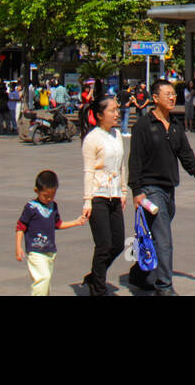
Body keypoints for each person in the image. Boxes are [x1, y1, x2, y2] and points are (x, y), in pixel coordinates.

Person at [128, 79, 195, 296]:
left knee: (156, 235)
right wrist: (137, 190)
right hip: (150, 189)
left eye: (174, 94)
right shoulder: (143, 126)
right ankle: (164, 287)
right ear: (155, 98)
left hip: (168, 189)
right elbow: (134, 160)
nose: (172, 97)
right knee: (164, 238)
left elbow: (185, 153)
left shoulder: (175, 125)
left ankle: (138, 274)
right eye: (167, 94)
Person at [81, 95, 126, 296]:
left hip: (115, 195)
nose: (117, 113)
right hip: (98, 196)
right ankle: (98, 289)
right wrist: (87, 201)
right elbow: (88, 171)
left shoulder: (117, 135)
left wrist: (124, 191)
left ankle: (94, 276)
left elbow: (122, 164)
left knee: (117, 244)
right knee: (104, 245)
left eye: (117, 109)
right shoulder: (92, 139)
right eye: (112, 110)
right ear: (100, 115)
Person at [15, 169, 86, 296]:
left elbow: (57, 224)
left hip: (49, 251)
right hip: (35, 250)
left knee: (45, 283)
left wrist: (76, 222)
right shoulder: (31, 207)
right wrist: (18, 247)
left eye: (51, 196)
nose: (48, 199)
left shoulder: (53, 206)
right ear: (36, 191)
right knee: (43, 278)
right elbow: (21, 226)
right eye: (45, 196)